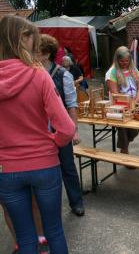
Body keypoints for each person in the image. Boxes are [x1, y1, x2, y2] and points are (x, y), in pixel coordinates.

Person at [0, 15, 74, 253]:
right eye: (33, 37)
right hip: (44, 164)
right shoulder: (39, 74)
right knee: (54, 231)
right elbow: (67, 128)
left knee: (25, 237)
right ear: (23, 39)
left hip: (7, 169)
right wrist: (53, 142)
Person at [37, 34, 85, 217]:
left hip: (60, 130)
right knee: (44, 171)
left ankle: (76, 202)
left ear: (46, 54)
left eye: (36, 51)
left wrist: (74, 131)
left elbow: (72, 105)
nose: (32, 54)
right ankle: (46, 208)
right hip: (40, 131)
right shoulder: (32, 73)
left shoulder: (63, 75)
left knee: (67, 167)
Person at [107, 46, 139, 154]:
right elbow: (115, 94)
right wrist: (127, 104)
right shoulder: (112, 72)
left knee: (135, 128)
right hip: (120, 107)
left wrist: (135, 101)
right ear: (117, 60)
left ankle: (125, 145)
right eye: (122, 61)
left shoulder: (134, 69)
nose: (124, 63)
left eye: (127, 61)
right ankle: (124, 150)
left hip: (134, 104)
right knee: (123, 128)